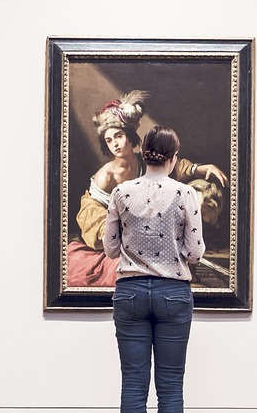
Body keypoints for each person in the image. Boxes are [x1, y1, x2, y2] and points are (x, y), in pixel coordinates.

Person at [104, 126, 205, 413]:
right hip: (173, 294)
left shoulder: (120, 192)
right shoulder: (185, 193)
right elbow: (194, 252)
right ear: (174, 157)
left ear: (144, 153)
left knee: (133, 387)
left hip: (129, 293)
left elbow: (111, 248)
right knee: (170, 389)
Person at [67, 92, 225, 287]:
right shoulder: (105, 176)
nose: (115, 144)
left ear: (130, 135)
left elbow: (172, 168)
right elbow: (91, 214)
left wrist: (201, 168)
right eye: (109, 140)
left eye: (118, 136)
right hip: (115, 241)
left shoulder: (143, 161)